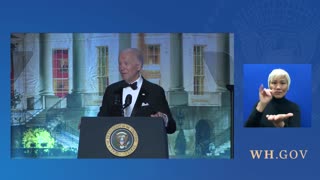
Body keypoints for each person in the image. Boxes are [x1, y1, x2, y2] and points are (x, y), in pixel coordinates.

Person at [97, 48, 176, 134]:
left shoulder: (155, 91)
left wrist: (164, 119)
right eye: (120, 64)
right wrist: (88, 125)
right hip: (115, 144)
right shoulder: (111, 90)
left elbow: (171, 127)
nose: (121, 68)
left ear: (138, 66)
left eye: (126, 63)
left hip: (144, 146)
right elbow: (101, 120)